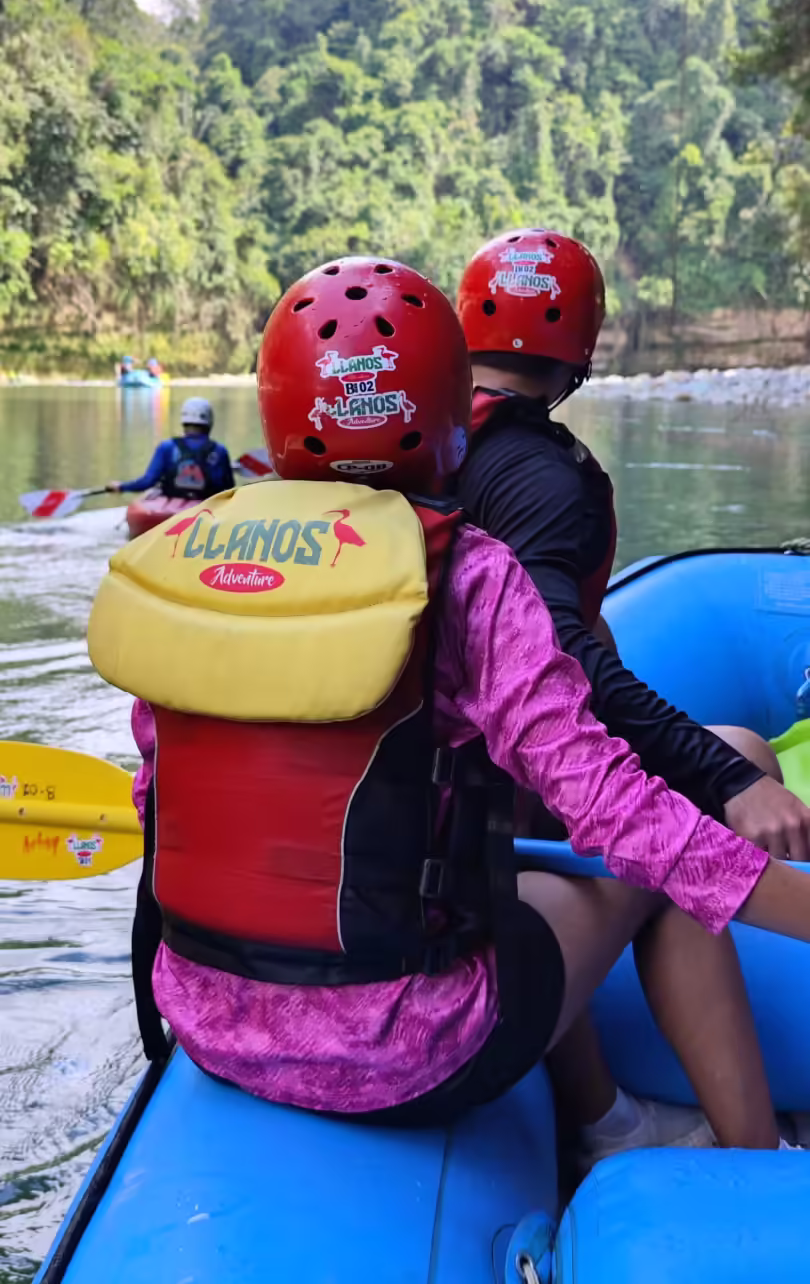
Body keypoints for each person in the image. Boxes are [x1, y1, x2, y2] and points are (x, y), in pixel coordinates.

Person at [87, 256, 810, 1157]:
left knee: (502, 873)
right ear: (446, 412)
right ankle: (753, 1155)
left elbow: (162, 798)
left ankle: (604, 1124)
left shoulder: (190, 565)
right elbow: (626, 819)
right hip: (402, 1053)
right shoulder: (469, 577)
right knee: (652, 881)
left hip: (205, 1019)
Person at [456, 229, 810, 863]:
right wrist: (727, 777)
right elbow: (552, 653)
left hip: (413, 765)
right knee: (747, 753)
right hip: (493, 782)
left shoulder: (410, 445)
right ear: (581, 350)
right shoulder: (540, 474)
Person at [107, 397, 234, 501]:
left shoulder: (167, 447)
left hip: (170, 506)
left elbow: (148, 481)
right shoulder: (220, 451)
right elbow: (229, 489)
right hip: (206, 508)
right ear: (210, 422)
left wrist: (122, 487)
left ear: (183, 421)